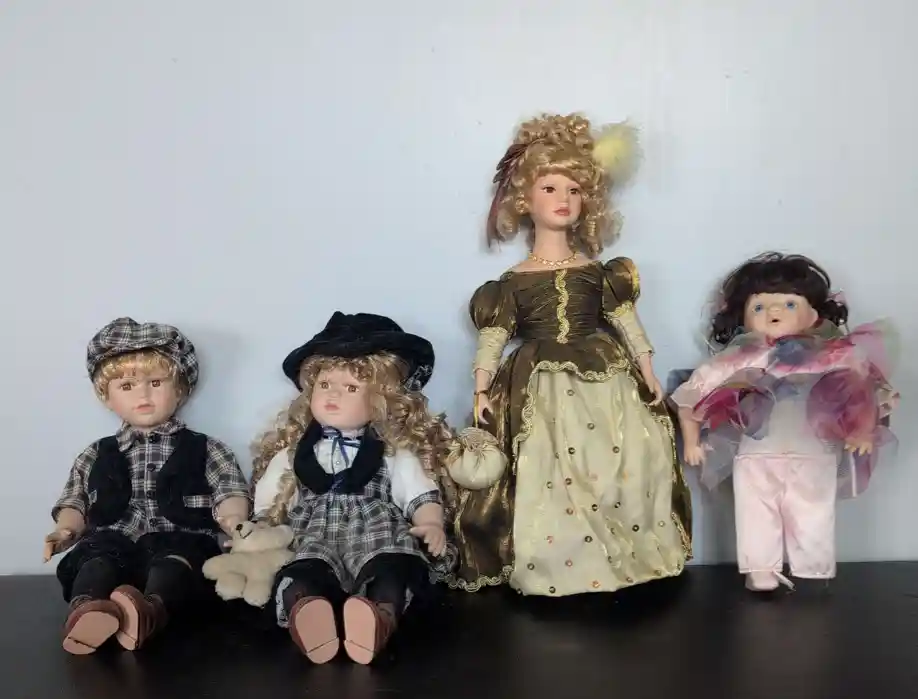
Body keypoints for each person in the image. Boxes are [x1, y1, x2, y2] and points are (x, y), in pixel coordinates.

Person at [448, 112, 692, 596]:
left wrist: (647, 368)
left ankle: (622, 554)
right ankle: (559, 562)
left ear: (589, 201)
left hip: (605, 376)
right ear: (525, 199)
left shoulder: (599, 274)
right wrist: (480, 388)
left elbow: (626, 321)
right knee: (548, 469)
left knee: (619, 460)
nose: (564, 199)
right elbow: (494, 338)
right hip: (539, 383)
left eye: (574, 190)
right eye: (550, 188)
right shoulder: (511, 284)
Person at [671, 252, 898, 591]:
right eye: (759, 306)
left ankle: (813, 566)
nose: (774, 311)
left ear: (814, 315)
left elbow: (863, 392)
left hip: (814, 451)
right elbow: (691, 395)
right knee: (755, 511)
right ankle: (760, 570)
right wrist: (691, 440)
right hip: (755, 455)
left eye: (789, 304)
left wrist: (862, 430)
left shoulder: (834, 355)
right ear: (743, 318)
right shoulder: (737, 359)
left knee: (813, 510)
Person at [251, 312, 458, 664]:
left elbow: (418, 491)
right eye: (325, 385)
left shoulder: (393, 451)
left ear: (382, 399)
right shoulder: (294, 453)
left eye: (351, 388)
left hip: (377, 529)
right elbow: (270, 498)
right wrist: (259, 528)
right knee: (302, 570)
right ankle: (309, 615)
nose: (333, 395)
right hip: (313, 533)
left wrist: (431, 522)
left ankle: (378, 617)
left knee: (393, 565)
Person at [46, 318, 251, 653]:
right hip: (113, 540)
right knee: (95, 560)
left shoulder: (207, 449)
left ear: (180, 389)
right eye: (127, 386)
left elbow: (230, 492)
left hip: (180, 539)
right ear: (106, 397)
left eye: (155, 383)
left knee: (178, 565)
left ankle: (150, 611)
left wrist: (236, 521)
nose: (143, 395)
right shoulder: (95, 454)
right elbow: (75, 501)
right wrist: (64, 530)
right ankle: (87, 609)